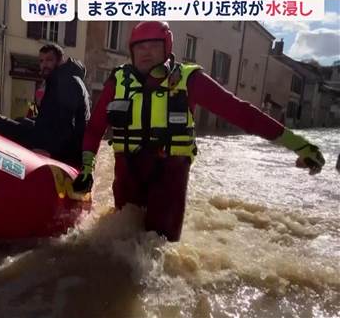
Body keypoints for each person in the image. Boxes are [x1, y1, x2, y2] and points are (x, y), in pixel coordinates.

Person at [72, 21, 325, 242]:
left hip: (169, 176)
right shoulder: (118, 81)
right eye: (139, 47)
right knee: (121, 241)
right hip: (128, 173)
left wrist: (299, 144)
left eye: (153, 46)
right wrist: (86, 169)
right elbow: (94, 128)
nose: (145, 52)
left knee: (159, 247)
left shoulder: (189, 79)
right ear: (132, 51)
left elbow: (242, 113)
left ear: (167, 48)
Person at [32, 43, 90, 168]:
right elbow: (49, 121)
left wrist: (47, 149)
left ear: (60, 61)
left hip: (63, 159)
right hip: (62, 156)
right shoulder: (58, 80)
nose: (44, 65)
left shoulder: (66, 81)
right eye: (41, 61)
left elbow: (65, 125)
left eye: (49, 60)